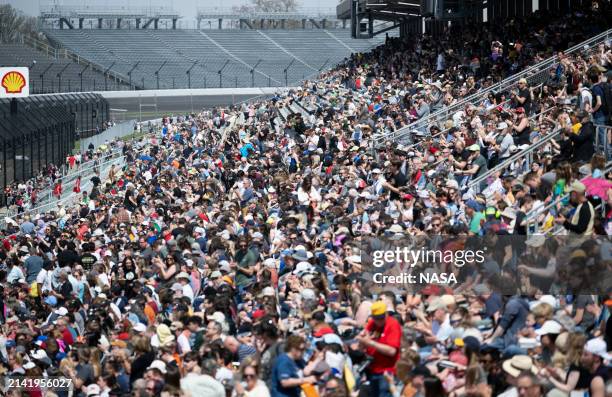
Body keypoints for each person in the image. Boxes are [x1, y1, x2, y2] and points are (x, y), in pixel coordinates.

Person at [357, 301, 402, 397]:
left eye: (381, 318)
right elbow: (361, 347)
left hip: (387, 370)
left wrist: (371, 343)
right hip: (373, 369)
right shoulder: (372, 323)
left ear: (386, 314)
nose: (379, 321)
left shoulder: (392, 324)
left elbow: (392, 351)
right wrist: (361, 341)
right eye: (376, 318)